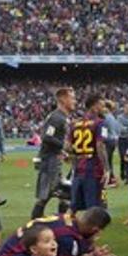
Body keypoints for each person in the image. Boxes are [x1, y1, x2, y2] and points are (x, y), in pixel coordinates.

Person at [32, 88, 75, 219]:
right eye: (72, 98)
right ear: (63, 99)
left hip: (53, 159)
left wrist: (62, 152)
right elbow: (47, 137)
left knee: (60, 193)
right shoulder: (57, 117)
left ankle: (58, 222)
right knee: (49, 194)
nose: (74, 101)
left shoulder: (61, 117)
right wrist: (64, 147)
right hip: (49, 161)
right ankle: (35, 224)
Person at [70, 94, 111, 211]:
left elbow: (68, 147)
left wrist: (74, 164)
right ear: (94, 107)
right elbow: (100, 145)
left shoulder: (74, 124)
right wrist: (107, 169)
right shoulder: (100, 123)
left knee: (74, 206)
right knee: (95, 207)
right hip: (93, 168)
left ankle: (69, 228)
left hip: (79, 168)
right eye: (101, 105)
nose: (104, 108)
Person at [102, 100, 122, 182]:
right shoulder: (113, 117)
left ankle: (109, 178)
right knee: (109, 160)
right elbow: (118, 130)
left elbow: (104, 131)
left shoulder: (105, 117)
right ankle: (112, 176)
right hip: (113, 140)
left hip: (108, 141)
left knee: (106, 160)